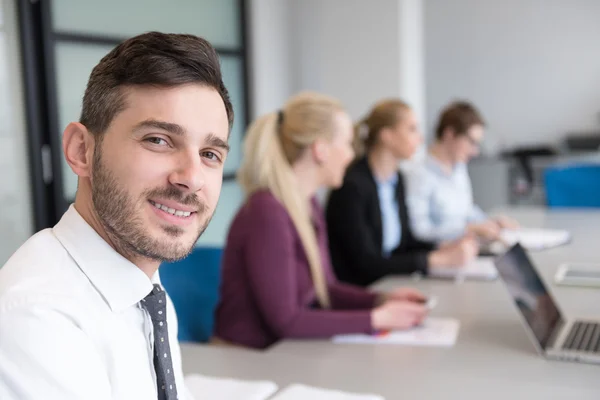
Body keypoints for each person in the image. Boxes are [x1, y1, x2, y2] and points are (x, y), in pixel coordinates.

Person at [0, 32, 233, 400]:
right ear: (81, 151)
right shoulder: (36, 318)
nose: (190, 178)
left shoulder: (146, 294)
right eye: (158, 140)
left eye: (210, 154)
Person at [214, 92, 429, 349]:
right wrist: (376, 318)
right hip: (248, 360)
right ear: (320, 149)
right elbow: (286, 321)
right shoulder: (266, 212)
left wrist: (380, 300)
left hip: (285, 353)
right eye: (347, 143)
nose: (351, 155)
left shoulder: (309, 203)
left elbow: (325, 289)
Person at [326, 99, 478, 287]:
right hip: (362, 291)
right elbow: (366, 263)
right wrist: (436, 260)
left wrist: (443, 247)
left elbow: (404, 242)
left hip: (390, 283)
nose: (420, 138)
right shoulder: (352, 187)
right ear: (387, 136)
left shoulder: (396, 179)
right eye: (412, 129)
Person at [404, 101, 517, 243]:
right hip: (440, 256)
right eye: (471, 142)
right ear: (450, 134)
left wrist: (491, 222)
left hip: (464, 251)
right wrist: (468, 229)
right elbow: (419, 230)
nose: (475, 152)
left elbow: (466, 211)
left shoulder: (459, 168)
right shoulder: (418, 174)